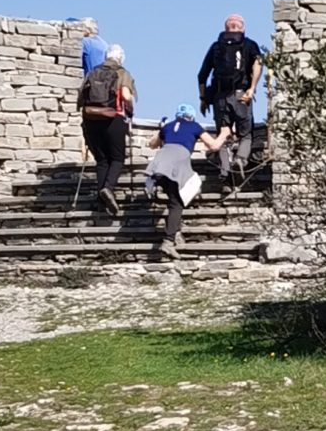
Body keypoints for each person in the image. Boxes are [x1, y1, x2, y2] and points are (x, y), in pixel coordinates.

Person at [145, 104, 230, 260]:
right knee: (178, 201)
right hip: (177, 163)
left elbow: (152, 144)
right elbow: (214, 146)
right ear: (192, 116)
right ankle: (168, 241)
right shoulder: (194, 126)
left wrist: (162, 131)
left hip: (159, 164)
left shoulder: (168, 126)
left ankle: (175, 231)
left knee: (174, 199)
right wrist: (224, 134)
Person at [197, 13, 262, 195]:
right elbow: (259, 62)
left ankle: (225, 178)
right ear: (243, 28)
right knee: (246, 134)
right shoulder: (249, 44)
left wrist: (203, 99)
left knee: (223, 135)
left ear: (226, 28)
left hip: (220, 98)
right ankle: (240, 160)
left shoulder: (216, 46)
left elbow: (202, 75)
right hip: (241, 95)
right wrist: (252, 88)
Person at [76, 43, 136, 216]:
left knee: (102, 160)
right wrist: (131, 109)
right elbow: (126, 96)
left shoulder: (92, 72)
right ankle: (108, 188)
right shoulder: (122, 73)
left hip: (91, 118)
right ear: (121, 57)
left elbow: (80, 97)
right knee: (117, 158)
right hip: (113, 118)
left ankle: (101, 203)